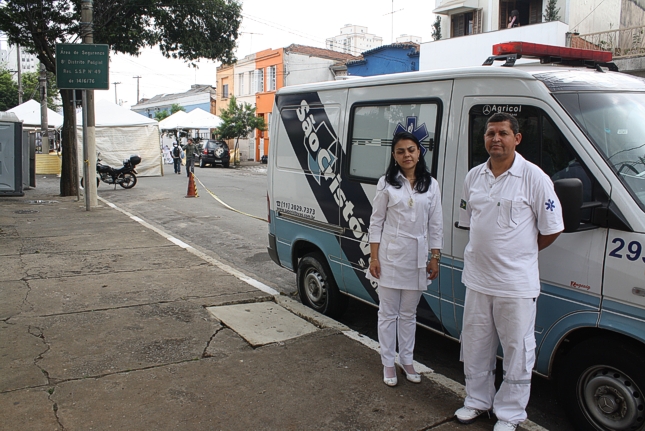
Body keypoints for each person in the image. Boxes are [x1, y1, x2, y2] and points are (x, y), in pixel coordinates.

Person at [455, 112, 564, 431]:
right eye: (490, 133)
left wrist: (523, 252)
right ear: (484, 138)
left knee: (517, 351)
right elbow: (469, 221)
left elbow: (553, 228)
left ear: (517, 138)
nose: (496, 139)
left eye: (503, 133)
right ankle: (477, 400)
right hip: (477, 280)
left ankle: (510, 414)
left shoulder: (534, 177)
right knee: (475, 345)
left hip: (515, 284)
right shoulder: (474, 177)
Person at [367, 131, 443, 387]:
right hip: (389, 257)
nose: (406, 155)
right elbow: (376, 222)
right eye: (401, 151)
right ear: (394, 155)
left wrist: (435, 256)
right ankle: (388, 362)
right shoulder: (386, 183)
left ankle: (407, 360)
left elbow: (436, 224)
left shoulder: (431, 184)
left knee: (409, 314)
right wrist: (374, 258)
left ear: (419, 152)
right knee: (388, 313)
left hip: (417, 258)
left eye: (411, 150)